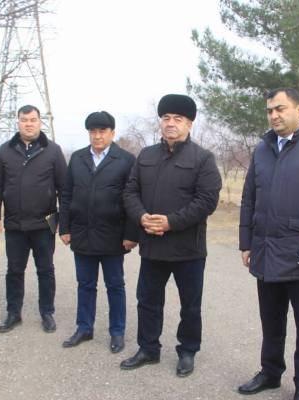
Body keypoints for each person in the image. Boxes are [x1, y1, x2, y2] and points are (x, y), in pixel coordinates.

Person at [238, 88, 299, 400]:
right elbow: (249, 197)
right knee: (271, 321)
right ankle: (270, 372)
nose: (274, 115)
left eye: (280, 108)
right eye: (270, 111)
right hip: (265, 250)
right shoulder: (262, 149)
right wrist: (246, 242)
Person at [121, 94, 222, 377]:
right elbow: (130, 191)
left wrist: (170, 223)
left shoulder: (202, 158)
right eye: (166, 118)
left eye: (178, 119)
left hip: (187, 249)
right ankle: (148, 348)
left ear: (189, 123)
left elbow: (206, 201)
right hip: (152, 246)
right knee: (148, 301)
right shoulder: (146, 156)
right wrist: (141, 217)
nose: (171, 123)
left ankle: (187, 351)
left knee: (190, 305)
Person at [59, 111, 138, 353]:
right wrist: (64, 227)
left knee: (115, 285)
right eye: (93, 131)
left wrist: (131, 234)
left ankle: (117, 331)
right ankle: (84, 327)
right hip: (82, 234)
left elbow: (133, 198)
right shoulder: (78, 158)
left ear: (112, 133)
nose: (97, 136)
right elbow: (67, 194)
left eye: (102, 131)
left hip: (113, 235)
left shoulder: (125, 160)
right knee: (85, 284)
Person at [0, 105, 67, 334]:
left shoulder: (53, 150)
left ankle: (47, 312)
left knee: (46, 270)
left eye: (33, 120)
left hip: (44, 223)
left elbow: (64, 188)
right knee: (14, 270)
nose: (29, 124)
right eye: (24, 120)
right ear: (18, 122)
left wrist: (64, 222)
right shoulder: (6, 150)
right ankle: (13, 313)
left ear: (40, 122)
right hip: (15, 223)